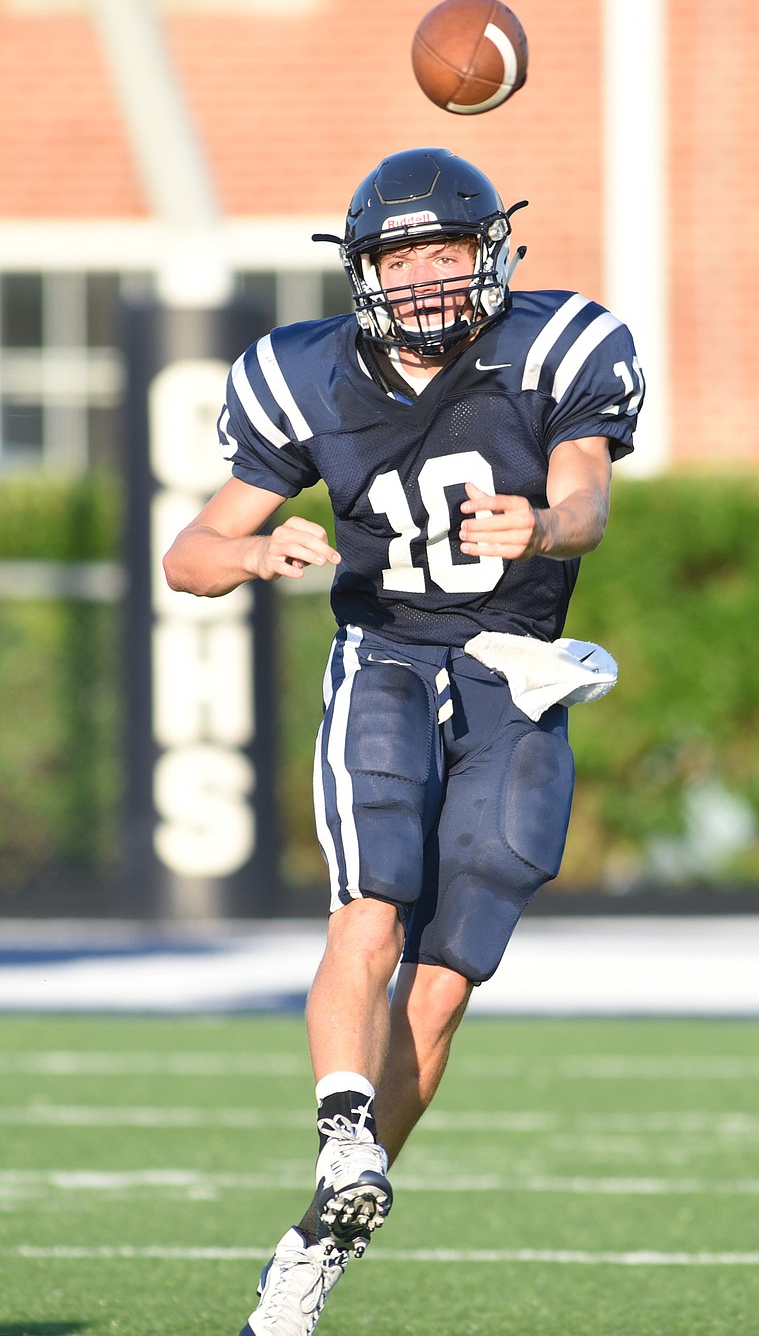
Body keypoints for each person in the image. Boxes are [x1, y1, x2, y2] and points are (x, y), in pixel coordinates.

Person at [163, 146, 644, 1336]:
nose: (428, 274)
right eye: (402, 254)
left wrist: (543, 525)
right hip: (383, 655)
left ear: (489, 253)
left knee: (443, 983)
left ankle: (322, 1237)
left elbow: (584, 500)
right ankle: (342, 1137)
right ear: (363, 270)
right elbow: (190, 553)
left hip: (514, 676)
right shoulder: (304, 374)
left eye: (448, 248)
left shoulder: (561, 345)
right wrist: (253, 553)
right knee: (370, 901)